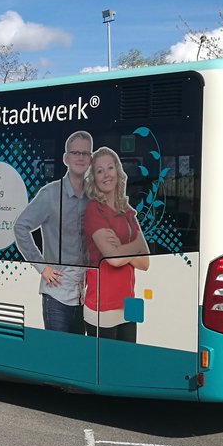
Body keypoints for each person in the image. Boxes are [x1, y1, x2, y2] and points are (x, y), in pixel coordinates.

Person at [13, 130, 93, 334]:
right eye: (75, 153)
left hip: (84, 296)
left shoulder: (93, 197)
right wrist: (42, 267)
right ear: (66, 158)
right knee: (58, 357)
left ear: (90, 159)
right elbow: (20, 227)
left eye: (85, 153)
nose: (80, 157)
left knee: (78, 356)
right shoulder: (50, 194)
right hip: (56, 296)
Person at [82, 146, 149, 342]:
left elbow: (146, 262)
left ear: (118, 172)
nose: (106, 175)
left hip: (128, 302)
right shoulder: (94, 210)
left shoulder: (126, 210)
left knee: (129, 365)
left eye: (110, 168)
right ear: (93, 178)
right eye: (99, 171)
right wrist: (132, 247)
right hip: (102, 306)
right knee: (107, 369)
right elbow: (113, 260)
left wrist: (120, 249)